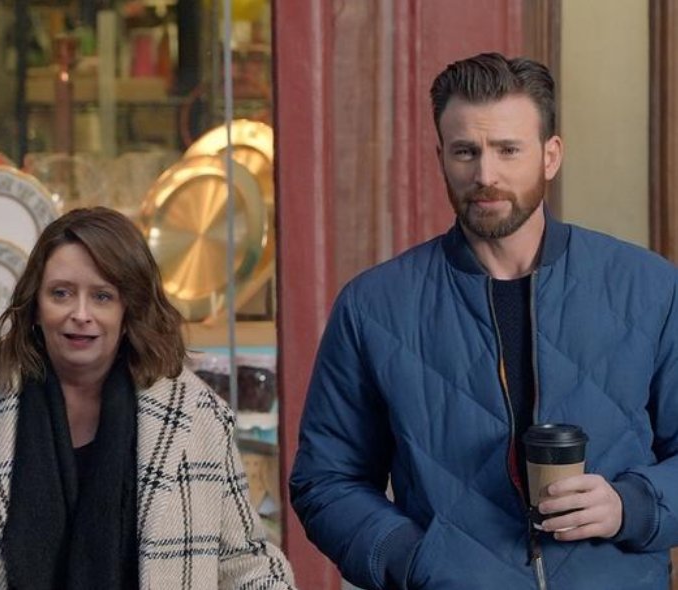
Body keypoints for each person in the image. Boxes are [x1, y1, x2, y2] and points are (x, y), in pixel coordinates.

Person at [290, 52, 678, 590]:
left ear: (550, 156)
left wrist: (629, 505)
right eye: (465, 152)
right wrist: (414, 561)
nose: (485, 175)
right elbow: (326, 479)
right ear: (441, 157)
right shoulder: (373, 306)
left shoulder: (650, 287)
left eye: (507, 150)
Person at [0, 207, 295, 589]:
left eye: (102, 296)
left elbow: (246, 565)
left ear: (129, 310)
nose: (81, 314)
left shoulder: (197, 416)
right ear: (35, 307)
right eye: (61, 293)